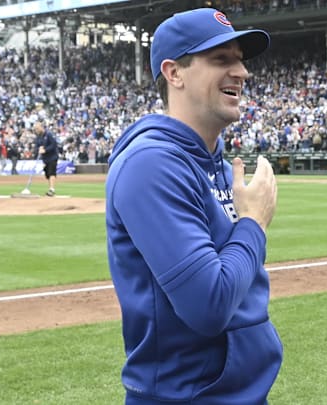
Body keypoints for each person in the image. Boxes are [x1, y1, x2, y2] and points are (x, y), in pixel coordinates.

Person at [105, 8, 282, 405]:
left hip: (239, 393)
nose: (242, 72)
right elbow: (209, 305)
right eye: (221, 59)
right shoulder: (151, 164)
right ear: (174, 73)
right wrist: (253, 223)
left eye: (240, 60)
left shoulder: (215, 162)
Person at [33, 121, 58, 196]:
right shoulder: (38, 137)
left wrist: (45, 150)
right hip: (45, 159)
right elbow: (36, 146)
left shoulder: (48, 134)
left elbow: (54, 145)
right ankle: (50, 188)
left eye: (37, 129)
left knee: (51, 172)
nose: (36, 130)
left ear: (41, 127)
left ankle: (52, 189)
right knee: (47, 174)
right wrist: (38, 149)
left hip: (52, 157)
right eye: (35, 129)